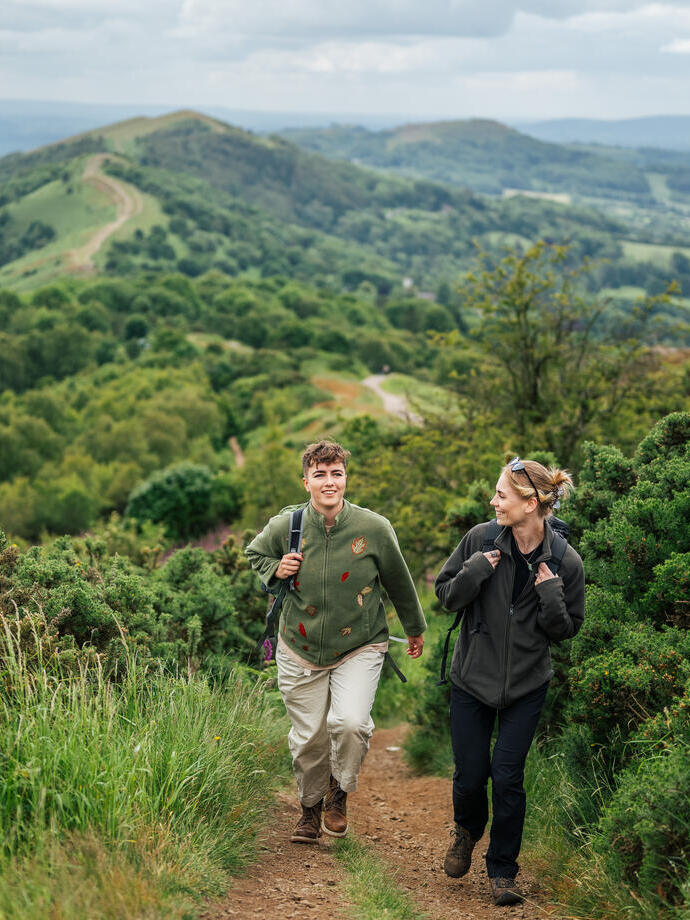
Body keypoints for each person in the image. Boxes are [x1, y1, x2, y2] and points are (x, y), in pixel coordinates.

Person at [246, 439, 426, 844]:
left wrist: (414, 627)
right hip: (298, 644)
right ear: (305, 481)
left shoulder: (374, 528)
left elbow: (398, 580)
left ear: (346, 478)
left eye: (337, 474)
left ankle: (338, 794)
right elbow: (255, 554)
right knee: (309, 737)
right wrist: (277, 569)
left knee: (350, 724)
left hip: (360, 643)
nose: (330, 482)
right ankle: (309, 809)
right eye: (320, 475)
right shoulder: (286, 526)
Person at [435, 457, 585, 906]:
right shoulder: (480, 540)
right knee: (470, 776)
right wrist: (476, 570)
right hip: (470, 679)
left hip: (526, 684)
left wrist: (550, 592)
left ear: (532, 503)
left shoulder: (564, 560)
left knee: (507, 777)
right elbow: (446, 596)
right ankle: (466, 829)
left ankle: (503, 871)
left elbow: (566, 630)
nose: (493, 501)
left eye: (501, 495)